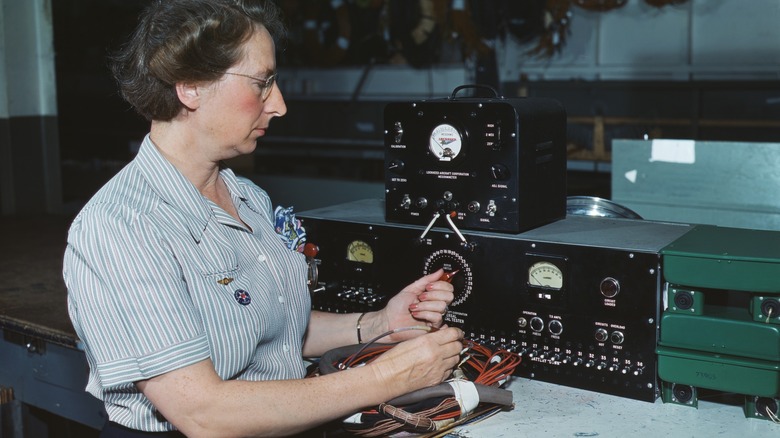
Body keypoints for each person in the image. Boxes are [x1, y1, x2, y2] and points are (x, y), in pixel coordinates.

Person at [62, 0, 464, 436]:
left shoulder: (246, 196)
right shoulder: (123, 227)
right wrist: (385, 378)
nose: (279, 105)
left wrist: (380, 323)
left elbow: (268, 329)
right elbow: (202, 413)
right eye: (262, 83)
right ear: (191, 87)